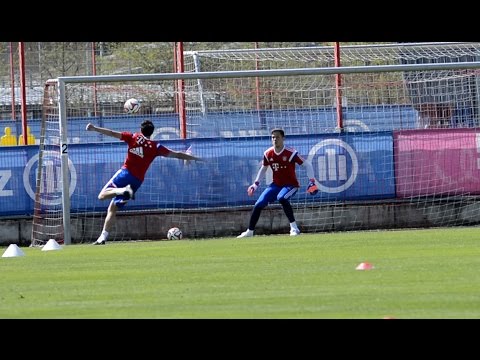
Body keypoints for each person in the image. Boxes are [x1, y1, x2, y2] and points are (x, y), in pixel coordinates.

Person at [86, 120, 202, 245]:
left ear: (141, 130)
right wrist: (194, 158)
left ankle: (122, 190)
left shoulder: (133, 137)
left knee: (102, 195)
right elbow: (177, 154)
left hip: (125, 174)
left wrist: (94, 128)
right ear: (151, 133)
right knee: (113, 208)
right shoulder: (155, 147)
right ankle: (102, 238)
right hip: (136, 182)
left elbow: (112, 133)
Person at [237, 128, 318, 238]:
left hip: (291, 185)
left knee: (282, 198)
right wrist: (255, 184)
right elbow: (263, 168)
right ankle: (250, 231)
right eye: (273, 137)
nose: (275, 139)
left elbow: (307, 164)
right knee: (258, 204)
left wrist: (312, 181)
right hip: (276, 185)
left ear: (283, 138)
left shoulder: (290, 153)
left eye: (277, 137)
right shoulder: (268, 153)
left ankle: (294, 228)